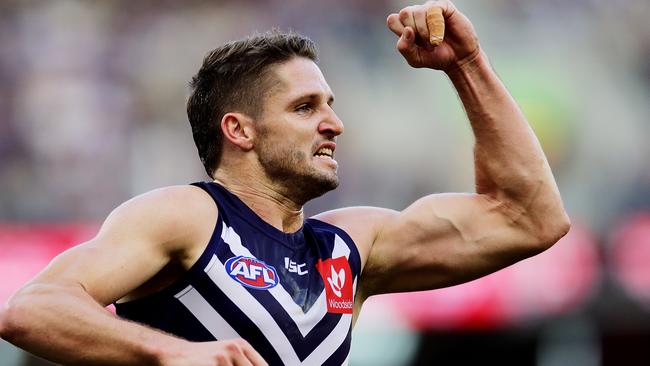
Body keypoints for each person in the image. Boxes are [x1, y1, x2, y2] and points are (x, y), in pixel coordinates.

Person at [0, 1, 570, 365]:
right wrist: (172, 356)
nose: (334, 122)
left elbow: (529, 219)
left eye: (330, 104)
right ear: (238, 130)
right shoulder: (188, 216)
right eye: (305, 107)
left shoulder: (350, 247)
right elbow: (32, 308)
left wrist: (466, 65)